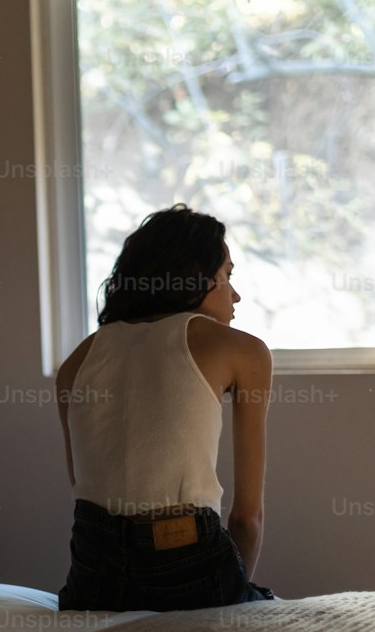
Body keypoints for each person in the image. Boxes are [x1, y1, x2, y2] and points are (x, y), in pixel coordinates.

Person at [55, 204, 276, 611]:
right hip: (186, 556)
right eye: (227, 275)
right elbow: (248, 517)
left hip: (92, 569)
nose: (235, 294)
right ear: (196, 277)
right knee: (267, 605)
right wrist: (241, 598)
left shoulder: (78, 359)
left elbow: (86, 490)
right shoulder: (243, 351)